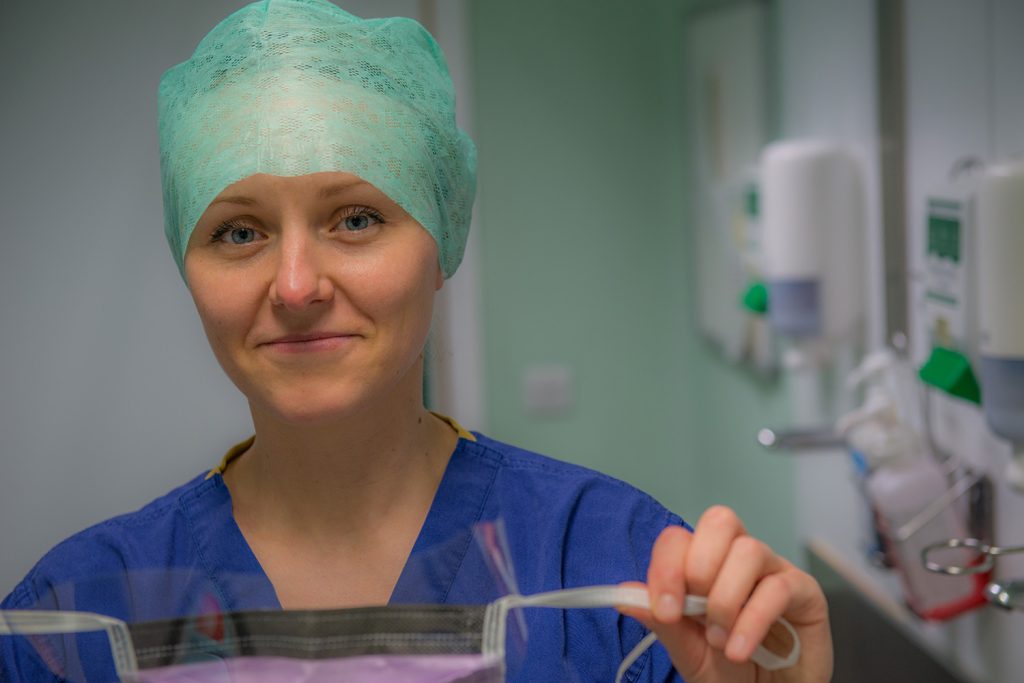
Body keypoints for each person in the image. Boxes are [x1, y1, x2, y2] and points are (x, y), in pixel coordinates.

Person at [0, 0, 832, 680]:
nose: (295, 286)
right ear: (189, 266)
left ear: (443, 244)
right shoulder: (72, 616)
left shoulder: (621, 573)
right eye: (239, 232)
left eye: (356, 218)